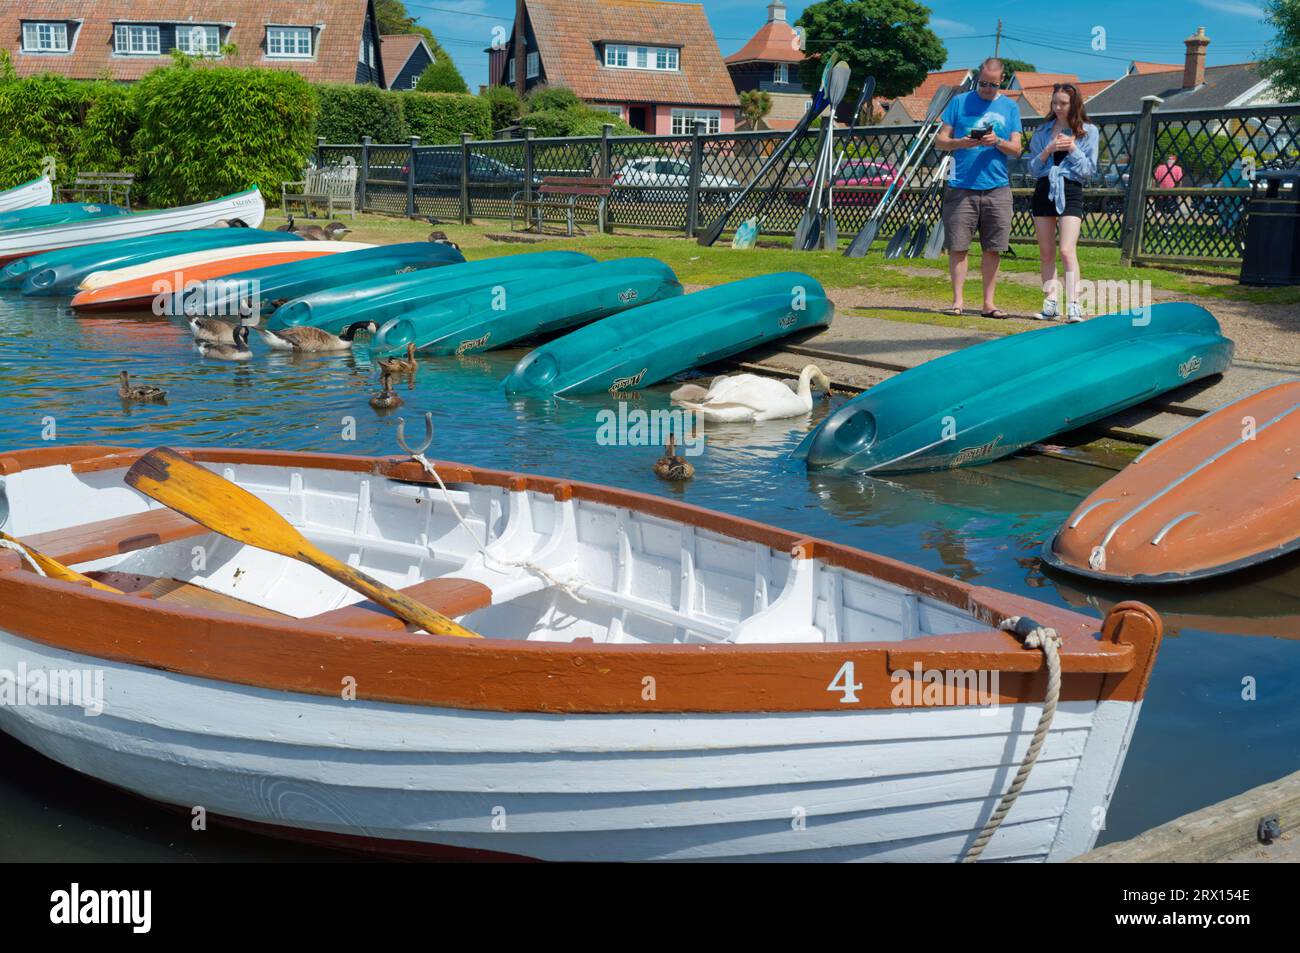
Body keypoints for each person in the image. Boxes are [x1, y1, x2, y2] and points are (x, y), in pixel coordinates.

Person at [934, 57, 1023, 318]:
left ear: (1001, 82)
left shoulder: (1010, 107)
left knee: (993, 247)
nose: (987, 89)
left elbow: (1017, 149)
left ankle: (989, 303)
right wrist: (960, 143)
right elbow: (940, 140)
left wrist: (997, 141)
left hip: (997, 186)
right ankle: (958, 302)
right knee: (959, 246)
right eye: (983, 83)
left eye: (993, 85)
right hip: (962, 185)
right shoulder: (959, 102)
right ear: (977, 78)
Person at [1027, 83, 1098, 322]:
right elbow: (1034, 169)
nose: (1058, 108)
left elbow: (1089, 171)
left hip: (1070, 189)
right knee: (1046, 251)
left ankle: (1075, 304)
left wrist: (1073, 149)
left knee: (1067, 249)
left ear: (1074, 104)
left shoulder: (1088, 131)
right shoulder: (1043, 131)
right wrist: (1048, 149)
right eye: (1054, 103)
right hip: (1045, 188)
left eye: (1063, 104)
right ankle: (1050, 303)